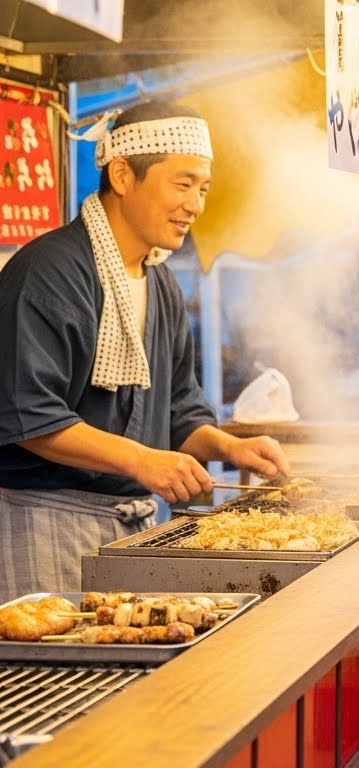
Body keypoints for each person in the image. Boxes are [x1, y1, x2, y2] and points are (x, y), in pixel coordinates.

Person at [0, 102, 290, 595]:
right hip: (43, 520)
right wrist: (140, 460)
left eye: (203, 188)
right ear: (122, 175)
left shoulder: (161, 283)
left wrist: (230, 448)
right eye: (182, 184)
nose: (195, 205)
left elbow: (177, 410)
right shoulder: (48, 273)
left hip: (133, 530)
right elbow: (28, 416)